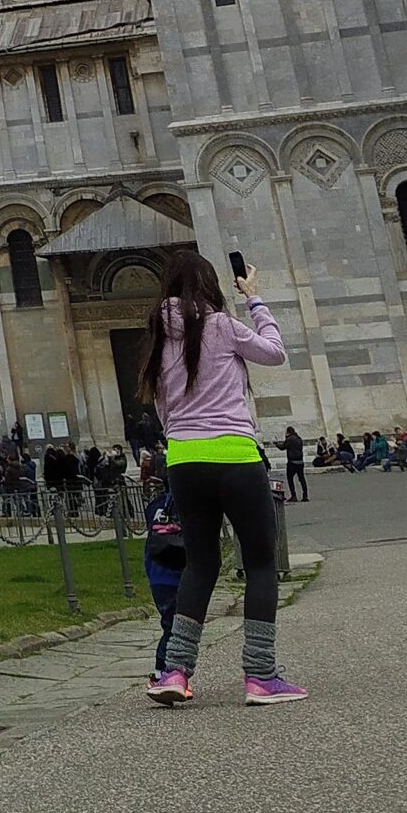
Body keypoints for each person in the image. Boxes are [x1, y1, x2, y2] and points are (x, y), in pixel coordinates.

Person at [141, 249, 304, 706]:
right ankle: (261, 675)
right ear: (210, 285)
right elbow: (274, 352)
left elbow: (162, 408)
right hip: (234, 454)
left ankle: (175, 671)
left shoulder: (158, 337)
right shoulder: (223, 326)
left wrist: (184, 438)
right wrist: (255, 299)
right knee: (260, 562)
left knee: (200, 562)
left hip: (184, 458)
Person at [140, 469, 186, 674]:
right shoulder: (186, 504)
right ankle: (162, 671)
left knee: (171, 625)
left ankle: (169, 670)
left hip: (157, 573)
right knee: (174, 628)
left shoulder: (155, 507)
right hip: (176, 573)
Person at [281, 424, 307, 504]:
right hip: (300, 461)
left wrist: (276, 444)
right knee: (302, 479)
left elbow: (282, 447)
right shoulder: (299, 438)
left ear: (288, 432)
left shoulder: (289, 439)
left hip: (292, 462)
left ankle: (293, 495)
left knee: (290, 479)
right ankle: (305, 495)